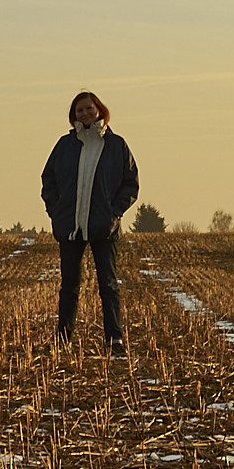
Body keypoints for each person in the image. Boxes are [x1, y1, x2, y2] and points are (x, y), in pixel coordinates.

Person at [40, 89, 138, 352]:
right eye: (79, 110)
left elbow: (130, 183)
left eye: (89, 108)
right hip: (70, 228)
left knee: (108, 283)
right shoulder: (64, 145)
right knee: (69, 285)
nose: (84, 113)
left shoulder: (117, 145)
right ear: (74, 115)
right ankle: (62, 339)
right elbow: (48, 181)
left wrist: (113, 213)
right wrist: (57, 212)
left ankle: (114, 338)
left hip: (104, 228)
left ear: (99, 110)